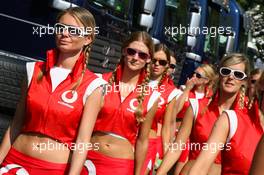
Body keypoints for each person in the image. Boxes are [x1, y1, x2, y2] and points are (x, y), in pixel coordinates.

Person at [0, 7, 106, 175]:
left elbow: (83, 141)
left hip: (53, 169)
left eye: (73, 30)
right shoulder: (32, 70)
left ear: (88, 38)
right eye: (60, 28)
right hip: (14, 162)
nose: (64, 34)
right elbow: (16, 124)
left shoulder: (93, 85)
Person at [82, 31, 160, 175]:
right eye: (131, 52)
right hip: (88, 158)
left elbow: (143, 141)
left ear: (148, 59)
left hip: (121, 166)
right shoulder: (99, 82)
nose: (135, 58)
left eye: (142, 55)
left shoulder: (152, 96)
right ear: (124, 51)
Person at [188, 53, 263, 175]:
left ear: (245, 81)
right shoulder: (201, 107)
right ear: (220, 74)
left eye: (238, 74)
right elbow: (180, 149)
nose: (231, 77)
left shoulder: (250, 118)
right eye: (226, 71)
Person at [156, 64, 219, 175]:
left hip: (191, 140)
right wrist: (187, 89)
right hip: (176, 134)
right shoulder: (184, 89)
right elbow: (175, 110)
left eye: (198, 75)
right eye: (193, 73)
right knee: (167, 167)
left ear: (206, 80)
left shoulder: (209, 97)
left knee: (180, 171)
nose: (194, 76)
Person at [141, 44, 181, 175]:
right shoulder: (136, 81)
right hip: (127, 138)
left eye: (162, 62)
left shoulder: (171, 92)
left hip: (149, 143)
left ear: (167, 65)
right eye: (154, 60)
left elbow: (167, 126)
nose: (157, 64)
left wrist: (164, 155)